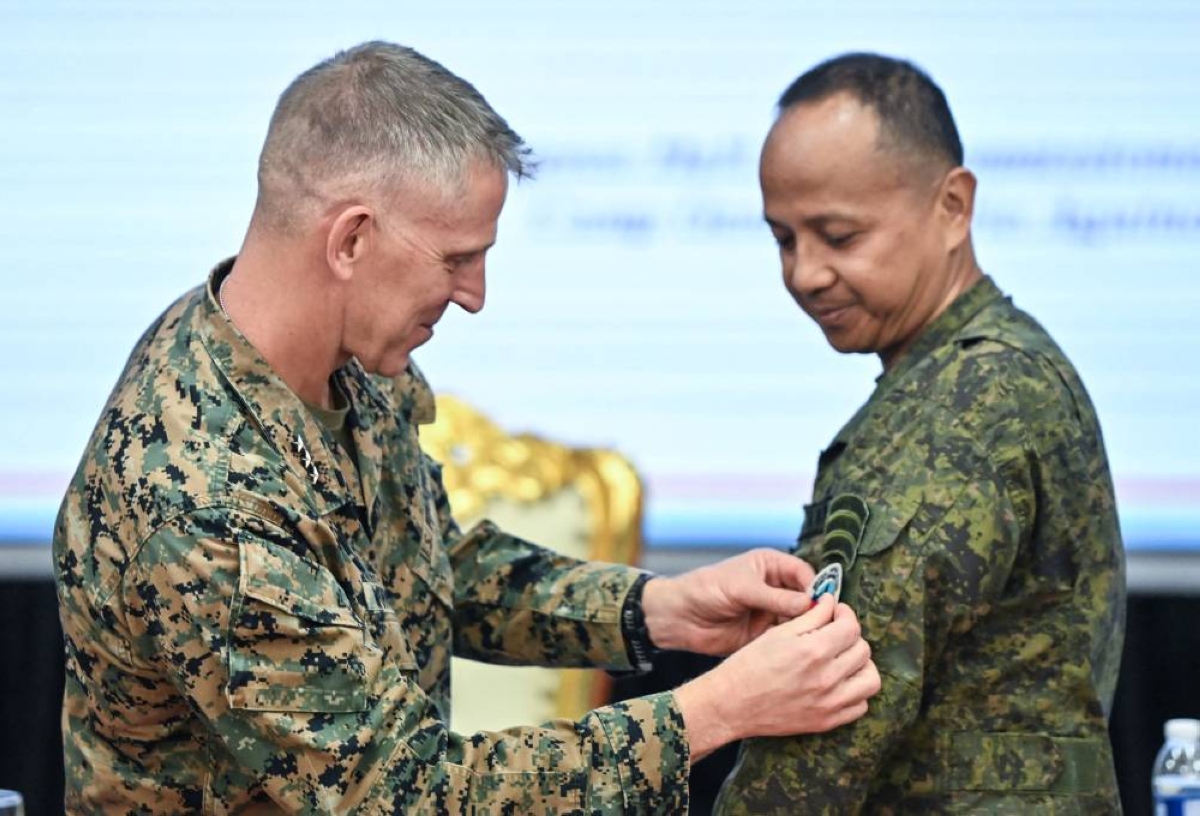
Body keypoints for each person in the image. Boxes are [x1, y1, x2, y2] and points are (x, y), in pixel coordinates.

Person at [52, 41, 880, 814]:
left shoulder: (341, 358)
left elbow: (425, 567)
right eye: (455, 260)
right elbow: (403, 793)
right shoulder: (201, 493)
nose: (475, 296)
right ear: (351, 240)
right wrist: (718, 709)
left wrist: (656, 610)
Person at [714, 53, 1127, 814]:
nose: (804, 273)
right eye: (784, 239)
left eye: (839, 236)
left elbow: (828, 716)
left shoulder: (962, 403)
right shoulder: (1004, 366)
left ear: (953, 206)